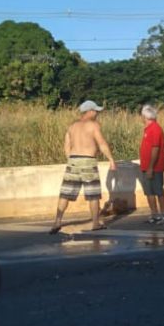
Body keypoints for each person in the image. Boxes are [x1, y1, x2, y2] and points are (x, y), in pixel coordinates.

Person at [49, 100, 116, 234]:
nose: (97, 113)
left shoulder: (72, 126)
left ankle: (57, 221)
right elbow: (101, 143)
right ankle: (96, 223)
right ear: (90, 111)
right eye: (96, 111)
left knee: (65, 193)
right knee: (93, 194)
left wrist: (71, 159)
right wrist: (111, 160)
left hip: (73, 160)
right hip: (88, 161)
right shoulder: (93, 125)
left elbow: (66, 146)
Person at [139, 104, 164, 224]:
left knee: (158, 191)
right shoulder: (147, 129)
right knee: (149, 192)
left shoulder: (155, 129)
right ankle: (154, 214)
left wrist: (151, 167)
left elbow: (155, 148)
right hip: (146, 167)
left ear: (145, 116)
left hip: (154, 167)